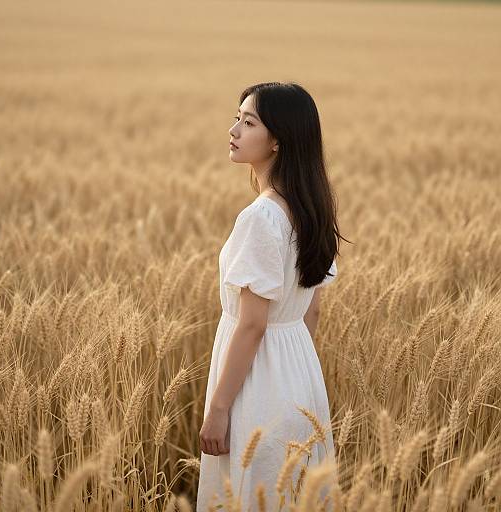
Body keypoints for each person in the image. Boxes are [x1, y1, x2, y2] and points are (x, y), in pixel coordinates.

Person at [196, 82, 348, 512]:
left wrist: (220, 408)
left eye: (249, 122)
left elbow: (252, 323)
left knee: (249, 494)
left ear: (278, 139)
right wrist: (290, 372)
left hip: (256, 382)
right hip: (298, 371)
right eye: (237, 118)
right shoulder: (310, 208)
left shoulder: (261, 217)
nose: (235, 130)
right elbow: (312, 309)